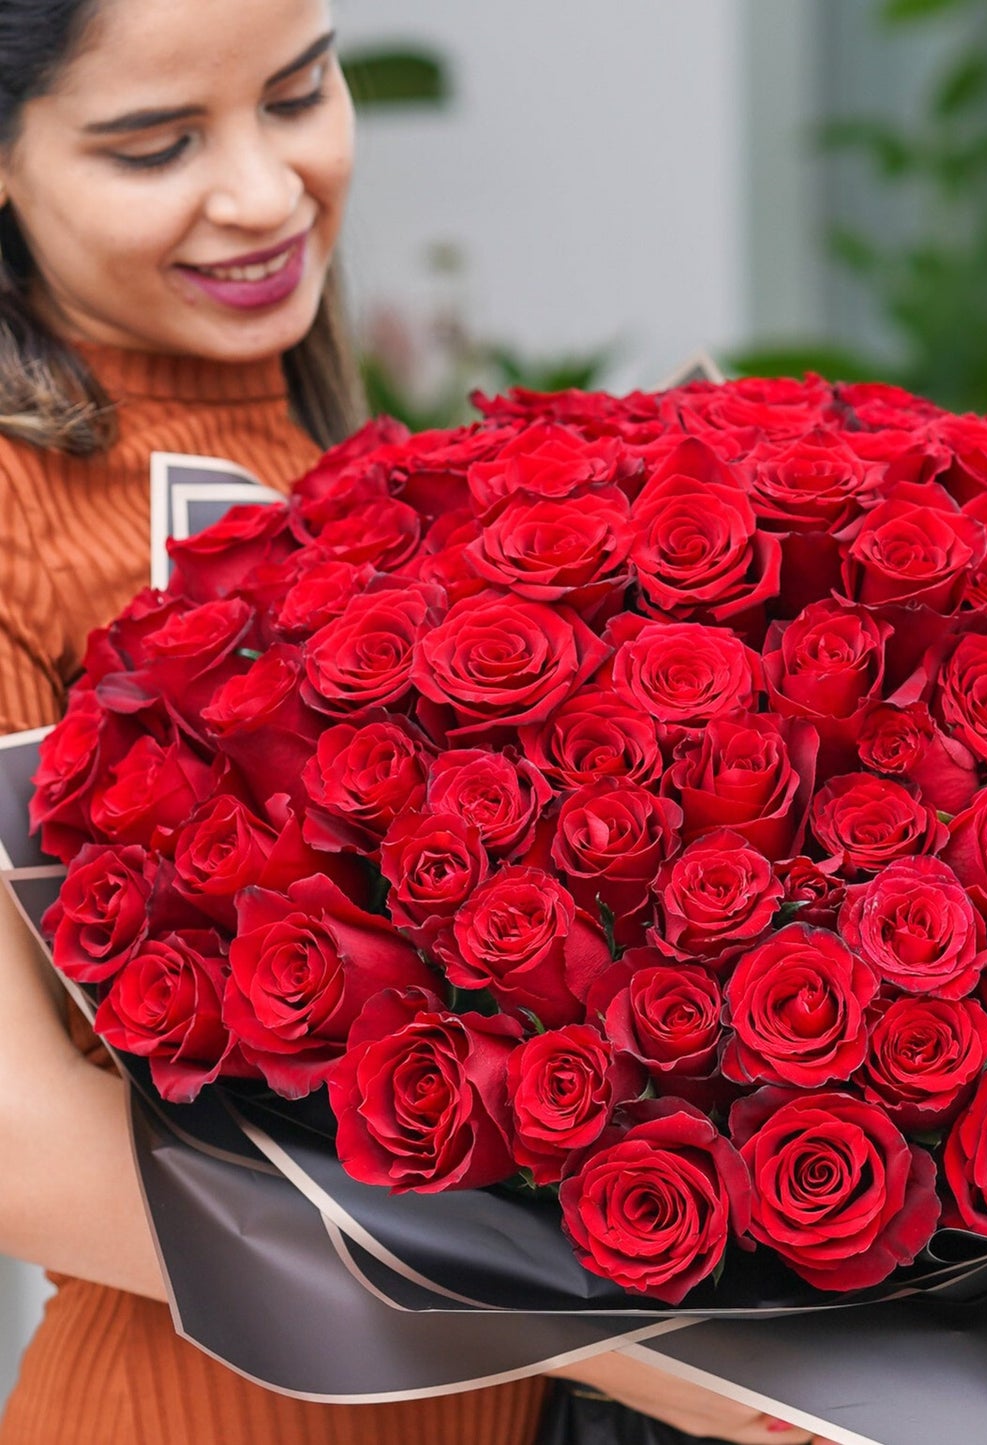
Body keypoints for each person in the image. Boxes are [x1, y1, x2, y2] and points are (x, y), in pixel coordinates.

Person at [0, 3, 830, 1442]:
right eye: (153, 147)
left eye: (299, 91)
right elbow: (21, 1148)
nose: (265, 193)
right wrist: (621, 1340)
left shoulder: (312, 455)